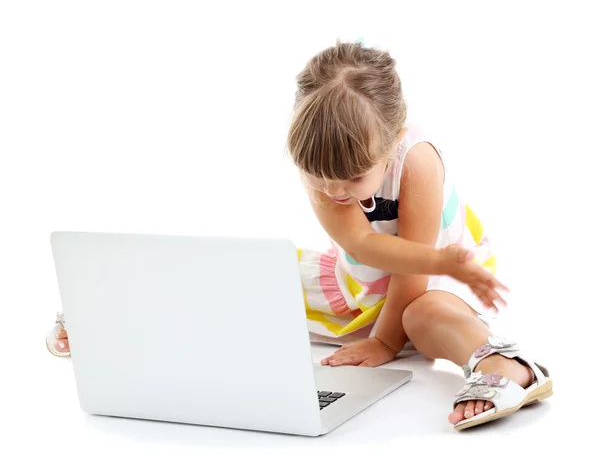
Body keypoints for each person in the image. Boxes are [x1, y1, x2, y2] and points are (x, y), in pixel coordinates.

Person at [46, 40, 552, 431]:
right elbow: (362, 246)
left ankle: (508, 366)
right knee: (254, 278)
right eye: (318, 177)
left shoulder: (416, 161)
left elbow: (412, 265)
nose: (333, 191)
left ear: (393, 144)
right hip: (359, 276)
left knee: (424, 315)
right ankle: (113, 317)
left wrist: (384, 341)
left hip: (438, 274)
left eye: (351, 179)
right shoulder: (323, 162)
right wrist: (371, 329)